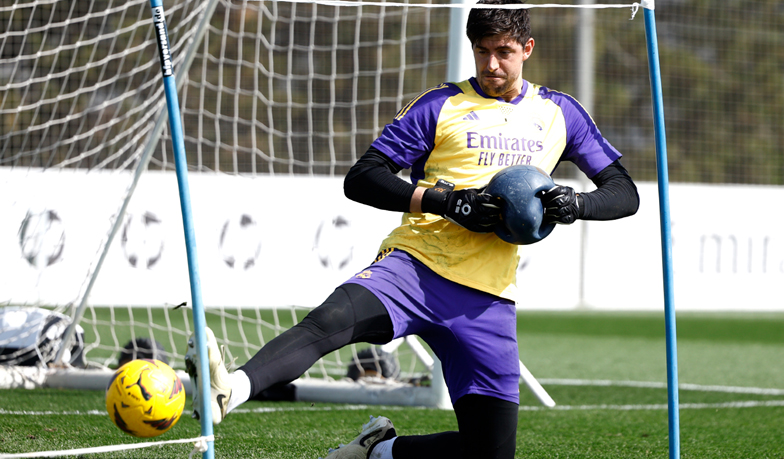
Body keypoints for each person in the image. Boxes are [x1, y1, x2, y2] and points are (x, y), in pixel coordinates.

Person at [184, 0, 639, 457]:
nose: (492, 64)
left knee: (490, 453)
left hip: (488, 298)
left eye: (504, 51)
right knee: (331, 321)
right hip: (416, 266)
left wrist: (576, 204)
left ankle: (380, 451)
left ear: (528, 49)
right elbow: (363, 177)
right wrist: (444, 201)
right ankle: (231, 389)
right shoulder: (440, 105)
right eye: (482, 52)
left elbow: (624, 192)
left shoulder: (560, 113)